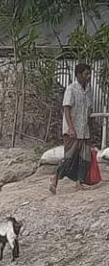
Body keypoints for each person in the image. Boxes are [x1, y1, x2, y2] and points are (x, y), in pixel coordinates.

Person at [50, 64, 93, 194]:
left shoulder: (88, 89)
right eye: (86, 74)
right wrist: (71, 128)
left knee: (85, 158)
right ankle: (55, 179)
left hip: (84, 130)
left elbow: (88, 109)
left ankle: (79, 183)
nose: (89, 77)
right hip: (72, 130)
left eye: (89, 74)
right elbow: (67, 109)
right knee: (69, 157)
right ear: (79, 75)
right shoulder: (71, 89)